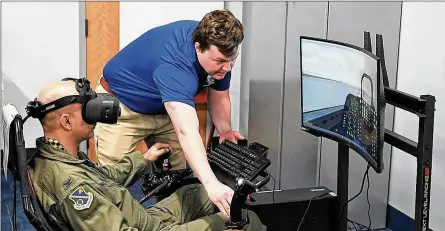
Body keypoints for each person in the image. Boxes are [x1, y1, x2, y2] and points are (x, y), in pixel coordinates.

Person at [26, 80, 266, 231]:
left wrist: (144, 158)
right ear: (66, 122)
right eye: (87, 108)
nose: (96, 113)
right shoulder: (72, 186)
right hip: (141, 226)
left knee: (201, 192)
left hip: (136, 216)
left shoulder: (56, 157)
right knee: (244, 221)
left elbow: (104, 176)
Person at [94, 9, 245, 217]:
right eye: (219, 61)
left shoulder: (219, 48)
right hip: (123, 105)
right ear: (198, 47)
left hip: (163, 106)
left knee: (176, 175)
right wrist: (211, 184)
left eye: (231, 60)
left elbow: (219, 95)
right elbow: (186, 131)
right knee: (113, 183)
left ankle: (166, 221)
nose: (227, 68)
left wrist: (225, 130)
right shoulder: (176, 65)